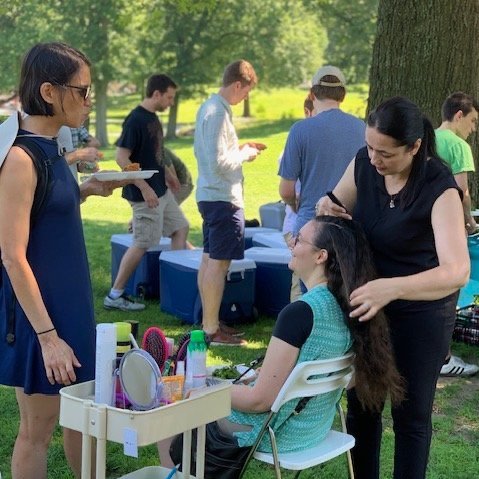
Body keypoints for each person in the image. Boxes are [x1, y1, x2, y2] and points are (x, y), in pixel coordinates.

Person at [157, 216, 404, 470]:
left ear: (320, 256)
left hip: (277, 432)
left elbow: (258, 401)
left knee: (169, 413)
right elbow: (343, 377)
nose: (291, 244)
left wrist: (206, 390)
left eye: (298, 240)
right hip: (313, 427)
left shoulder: (301, 312)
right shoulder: (347, 307)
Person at [316, 97, 470, 479]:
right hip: (370, 305)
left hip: (422, 312)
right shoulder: (364, 164)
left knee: (411, 417)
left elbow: (456, 271)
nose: (374, 159)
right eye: (369, 147)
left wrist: (392, 288)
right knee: (363, 409)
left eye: (385, 152)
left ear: (415, 147)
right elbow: (333, 204)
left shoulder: (439, 186)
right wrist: (325, 206)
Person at [0, 42, 124, 479]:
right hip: (40, 314)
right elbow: (13, 256)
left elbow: (47, 213)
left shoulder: (54, 148)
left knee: (84, 414)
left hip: (72, 305)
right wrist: (49, 338)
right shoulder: (19, 158)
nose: (89, 103)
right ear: (49, 91)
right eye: (83, 92)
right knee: (39, 428)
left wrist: (87, 191)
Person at [104, 74, 189, 312]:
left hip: (162, 192)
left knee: (180, 227)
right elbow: (121, 157)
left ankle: (177, 285)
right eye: (169, 97)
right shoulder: (135, 120)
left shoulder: (153, 118)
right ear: (156, 94)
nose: (171, 102)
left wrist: (170, 175)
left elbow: (157, 153)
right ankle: (115, 294)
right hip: (145, 195)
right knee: (143, 242)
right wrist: (144, 186)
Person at [194, 60, 263, 345]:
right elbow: (219, 161)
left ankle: (209, 322)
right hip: (222, 197)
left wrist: (239, 147)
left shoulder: (210, 109)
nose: (244, 98)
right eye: (245, 93)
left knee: (209, 260)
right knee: (218, 265)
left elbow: (214, 153)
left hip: (211, 195)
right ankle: (211, 330)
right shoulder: (218, 113)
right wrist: (245, 154)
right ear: (238, 84)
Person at [278, 65, 365, 239]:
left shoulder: (300, 130)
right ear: (343, 95)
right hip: (348, 227)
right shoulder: (362, 128)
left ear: (312, 93)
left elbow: (286, 191)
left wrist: (295, 205)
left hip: (309, 227)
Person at [435, 92, 479, 377]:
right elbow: (461, 192)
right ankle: (445, 357)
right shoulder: (458, 145)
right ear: (459, 115)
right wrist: (470, 222)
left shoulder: (428, 139)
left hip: (423, 227)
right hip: (449, 227)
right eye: (473, 121)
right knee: (449, 290)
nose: (474, 128)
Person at [281, 96, 314, 301]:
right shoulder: (300, 139)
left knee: (303, 277)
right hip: (296, 224)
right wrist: (296, 204)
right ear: (308, 111)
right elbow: (287, 191)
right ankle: (296, 324)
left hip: (302, 223)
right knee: (300, 277)